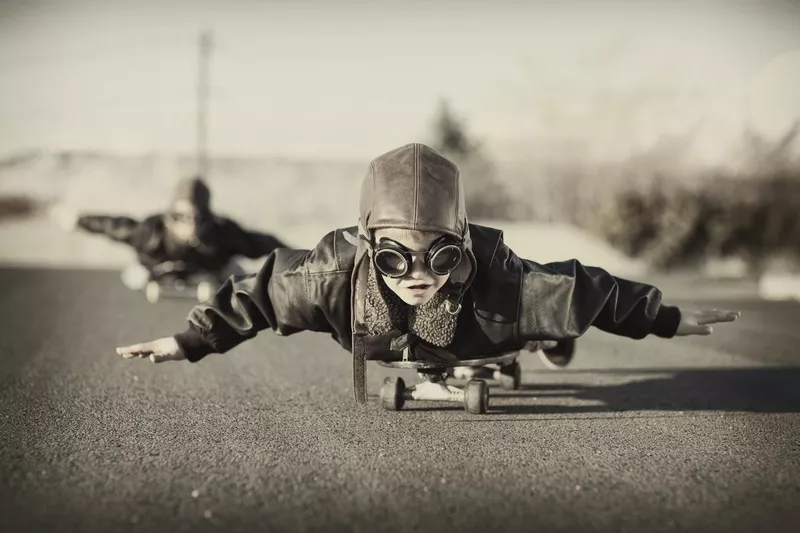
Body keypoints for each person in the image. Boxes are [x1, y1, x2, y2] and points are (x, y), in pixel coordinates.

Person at [116, 144, 740, 404]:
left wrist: (666, 317)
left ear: (459, 245)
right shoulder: (330, 276)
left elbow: (590, 289)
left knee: (547, 317)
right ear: (368, 248)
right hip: (386, 337)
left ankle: (550, 339)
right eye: (395, 258)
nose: (417, 274)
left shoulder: (502, 283)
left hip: (485, 333)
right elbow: (257, 296)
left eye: (438, 257)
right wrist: (188, 341)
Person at [51, 176, 289, 290]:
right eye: (181, 217)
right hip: (155, 269)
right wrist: (78, 221)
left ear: (208, 218)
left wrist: (297, 258)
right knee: (134, 278)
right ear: (170, 218)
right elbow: (113, 226)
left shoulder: (223, 232)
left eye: (197, 217)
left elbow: (261, 242)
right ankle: (154, 275)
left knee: (238, 276)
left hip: (210, 272)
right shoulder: (150, 232)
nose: (190, 224)